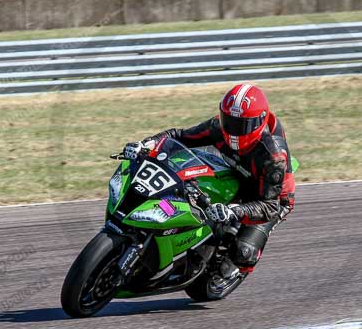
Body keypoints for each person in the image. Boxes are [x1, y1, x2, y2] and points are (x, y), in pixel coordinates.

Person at [123, 83, 295, 280]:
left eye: (241, 126)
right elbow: (180, 136)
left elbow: (270, 206)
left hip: (269, 197)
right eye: (229, 121)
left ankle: (231, 269)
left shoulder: (273, 156)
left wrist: (234, 211)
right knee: (189, 190)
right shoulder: (218, 126)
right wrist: (146, 144)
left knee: (243, 252)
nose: (233, 130)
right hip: (234, 170)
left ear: (258, 123)